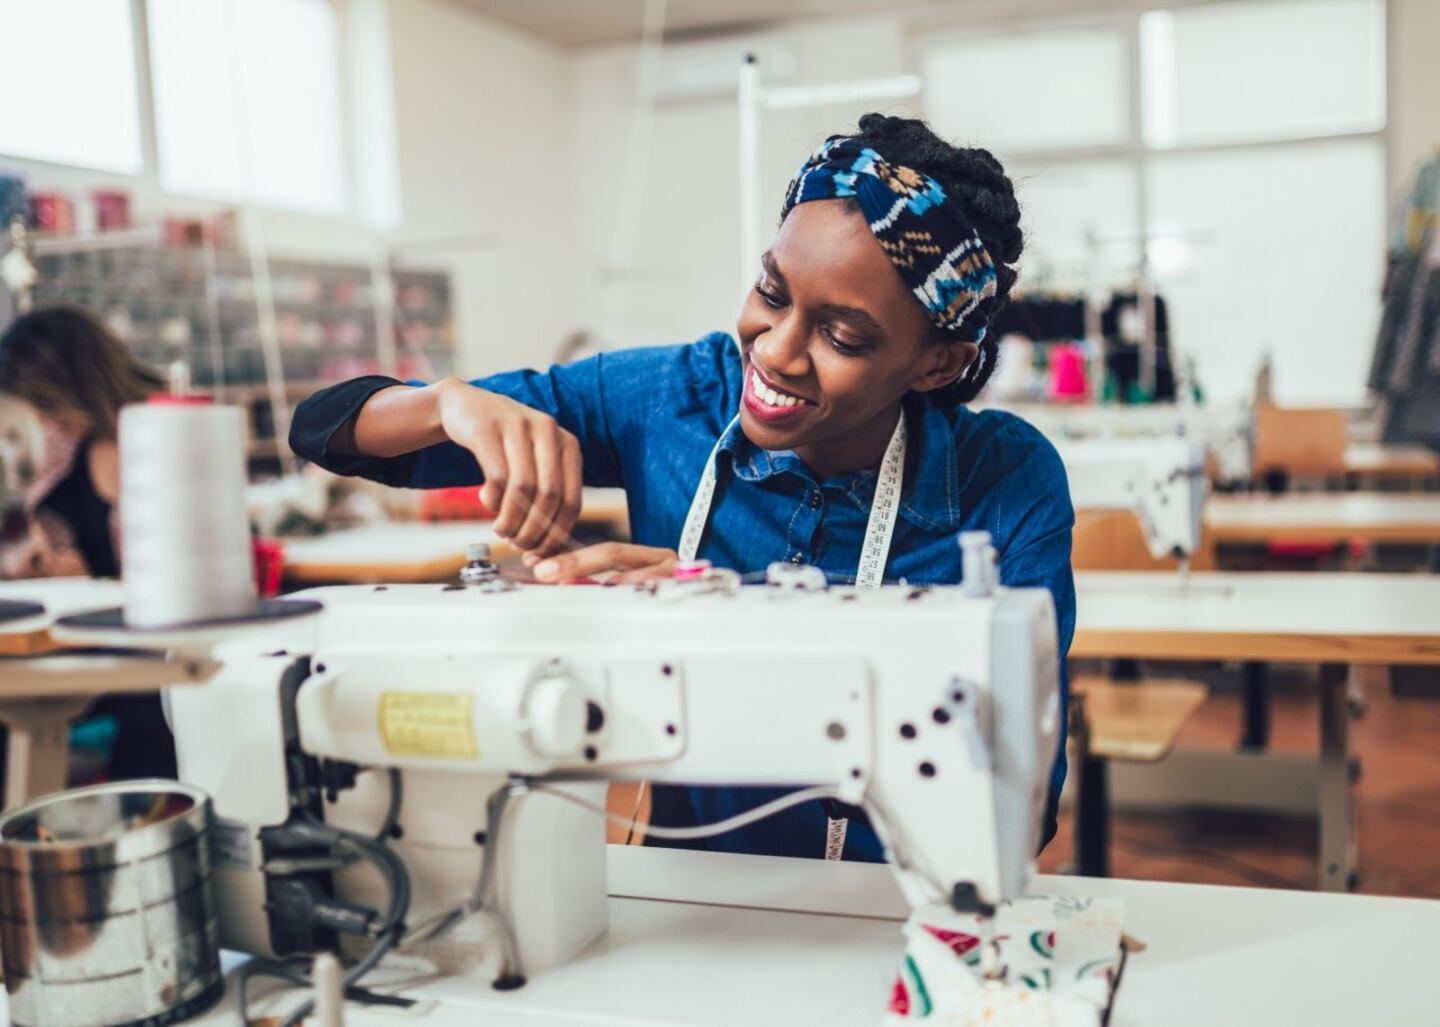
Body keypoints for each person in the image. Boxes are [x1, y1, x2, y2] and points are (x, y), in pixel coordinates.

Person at [290, 114, 1075, 860]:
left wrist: (734, 624)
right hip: (684, 897)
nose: (777, 351)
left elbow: (1024, 803)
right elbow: (325, 429)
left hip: (894, 901)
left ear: (936, 363)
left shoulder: (1005, 481)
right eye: (772, 292)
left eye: (842, 335)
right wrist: (445, 403)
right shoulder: (675, 399)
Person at [0, 304, 177, 779]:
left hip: (148, 660)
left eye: (37, 405)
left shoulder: (153, 443)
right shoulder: (59, 471)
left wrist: (87, 583)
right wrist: (48, 572)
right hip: (96, 654)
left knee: (155, 700)